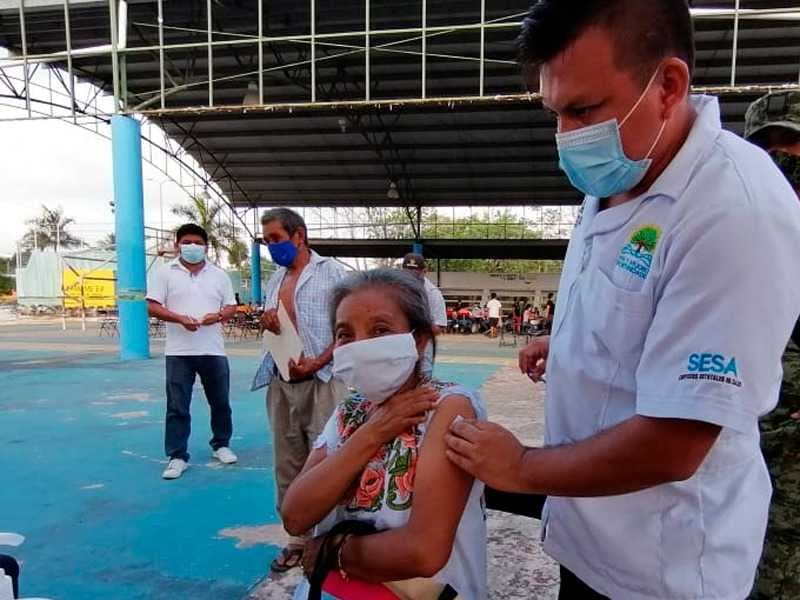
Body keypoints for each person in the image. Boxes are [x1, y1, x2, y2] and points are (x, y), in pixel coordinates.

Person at [444, 1, 800, 598]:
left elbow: (676, 442)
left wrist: (521, 467)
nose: (567, 137)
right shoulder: (622, 171)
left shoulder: (733, 210)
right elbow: (636, 307)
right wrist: (569, 344)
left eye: (583, 110)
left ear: (667, 85)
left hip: (661, 568)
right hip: (588, 536)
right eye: (554, 113)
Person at [281, 269, 487, 600]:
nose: (361, 346)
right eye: (345, 334)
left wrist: (330, 550)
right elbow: (296, 514)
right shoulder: (350, 412)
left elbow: (423, 552)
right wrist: (374, 432)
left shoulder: (447, 407)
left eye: (380, 330)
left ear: (418, 341)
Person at [251, 208, 346, 573]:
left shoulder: (332, 274)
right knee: (287, 462)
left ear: (299, 237)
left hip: (323, 382)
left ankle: (332, 540)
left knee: (329, 461)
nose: (272, 247)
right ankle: (296, 539)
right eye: (267, 241)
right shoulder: (276, 279)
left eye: (276, 239)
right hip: (281, 382)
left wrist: (318, 362)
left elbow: (348, 330)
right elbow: (276, 323)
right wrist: (267, 319)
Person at [744, 90, 800, 600]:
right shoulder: (740, 228)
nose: (781, 160)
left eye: (793, 146)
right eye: (768, 148)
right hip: (738, 450)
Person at [147, 224, 238, 480]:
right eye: (187, 242)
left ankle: (221, 444)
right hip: (179, 351)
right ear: (178, 245)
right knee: (177, 405)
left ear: (206, 246)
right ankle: (177, 456)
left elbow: (231, 307)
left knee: (220, 402)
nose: (192, 247)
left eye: (198, 242)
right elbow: (152, 306)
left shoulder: (219, 275)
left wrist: (217, 316)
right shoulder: (165, 273)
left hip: (213, 350)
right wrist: (179, 318)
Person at [401, 253, 447, 376]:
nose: (410, 279)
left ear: (424, 271)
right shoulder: (396, 289)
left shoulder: (433, 294)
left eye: (414, 274)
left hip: (422, 354)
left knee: (421, 386)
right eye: (407, 274)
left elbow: (439, 327)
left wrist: (418, 332)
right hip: (397, 354)